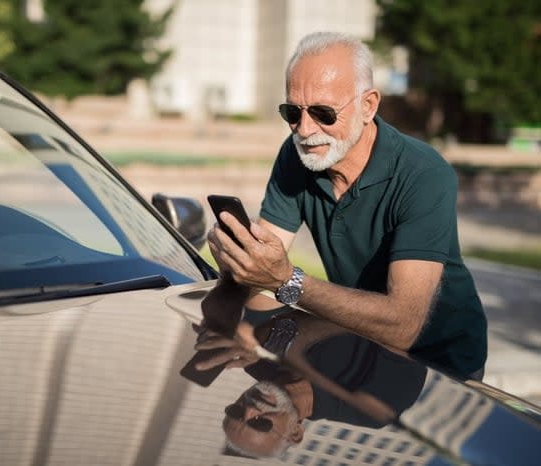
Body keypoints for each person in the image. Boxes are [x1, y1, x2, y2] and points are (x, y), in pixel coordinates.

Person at [206, 31, 487, 381]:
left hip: (439, 364)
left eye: (324, 113)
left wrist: (285, 279)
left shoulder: (424, 173)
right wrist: (240, 261)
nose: (305, 129)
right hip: (360, 342)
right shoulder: (297, 155)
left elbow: (403, 325)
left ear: (368, 106)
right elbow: (262, 276)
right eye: (292, 112)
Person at [195, 311, 427, 459]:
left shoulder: (252, 362)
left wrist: (219, 323)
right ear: (296, 432)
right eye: (261, 424)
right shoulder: (374, 410)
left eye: (235, 411)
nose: (249, 409)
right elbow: (403, 321)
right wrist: (275, 335)